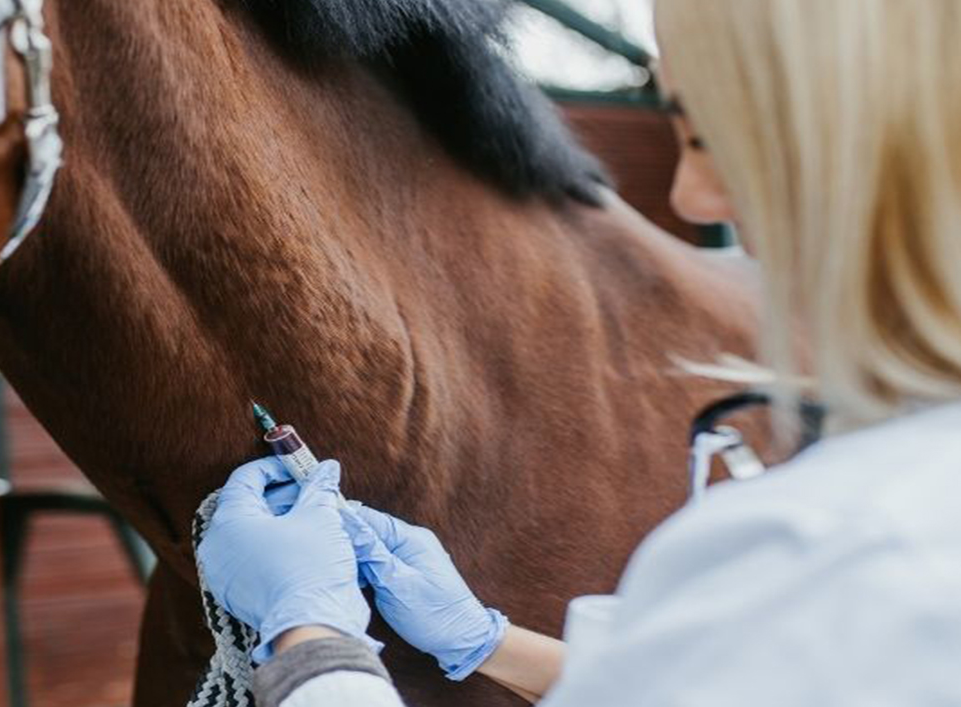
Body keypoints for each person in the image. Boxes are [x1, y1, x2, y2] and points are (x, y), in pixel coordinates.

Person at [197, 0, 961, 704]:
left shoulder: (837, 550)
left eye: (702, 134)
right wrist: (486, 638)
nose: (694, 197)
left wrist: (311, 641)